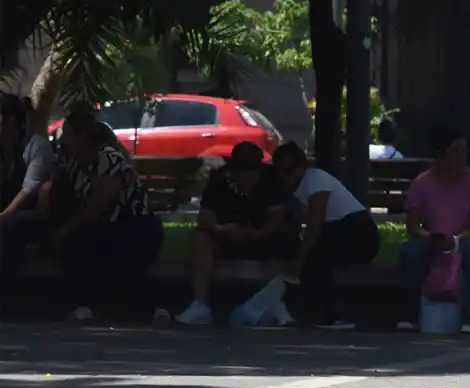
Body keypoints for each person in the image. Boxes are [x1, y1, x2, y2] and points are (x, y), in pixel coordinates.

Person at [49, 106, 167, 323]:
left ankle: (155, 308)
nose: (63, 140)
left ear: (83, 136)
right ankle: (83, 306)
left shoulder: (108, 158)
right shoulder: (75, 164)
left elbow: (99, 205)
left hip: (135, 225)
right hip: (105, 227)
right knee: (76, 246)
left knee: (122, 258)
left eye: (68, 134)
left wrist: (67, 228)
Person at [175, 141, 299, 326]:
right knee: (201, 239)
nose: (244, 177)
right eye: (240, 171)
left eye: (250, 172)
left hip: (263, 237)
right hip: (226, 238)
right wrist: (222, 230)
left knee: (282, 240)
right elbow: (206, 217)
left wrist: (257, 233)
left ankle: (275, 303)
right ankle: (200, 305)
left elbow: (276, 219)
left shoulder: (271, 181)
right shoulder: (220, 180)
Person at [395, 127, 470, 335]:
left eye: (464, 151)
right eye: (455, 151)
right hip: (433, 240)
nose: (461, 157)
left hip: (464, 239)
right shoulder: (423, 183)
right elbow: (412, 225)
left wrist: (457, 240)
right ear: (440, 154)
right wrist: (428, 237)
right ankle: (408, 317)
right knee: (410, 252)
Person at [273, 141, 380, 329]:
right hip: (338, 232)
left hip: (358, 234)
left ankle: (335, 313)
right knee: (308, 252)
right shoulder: (295, 190)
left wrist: (301, 255)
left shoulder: (316, 180)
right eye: (279, 172)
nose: (283, 177)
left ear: (301, 167)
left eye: (288, 171)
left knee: (316, 255)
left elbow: (315, 222)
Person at [0, 96, 57, 293]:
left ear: (12, 122)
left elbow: (29, 189)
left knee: (12, 227)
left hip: (31, 211)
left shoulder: (37, 146)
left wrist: (4, 217)